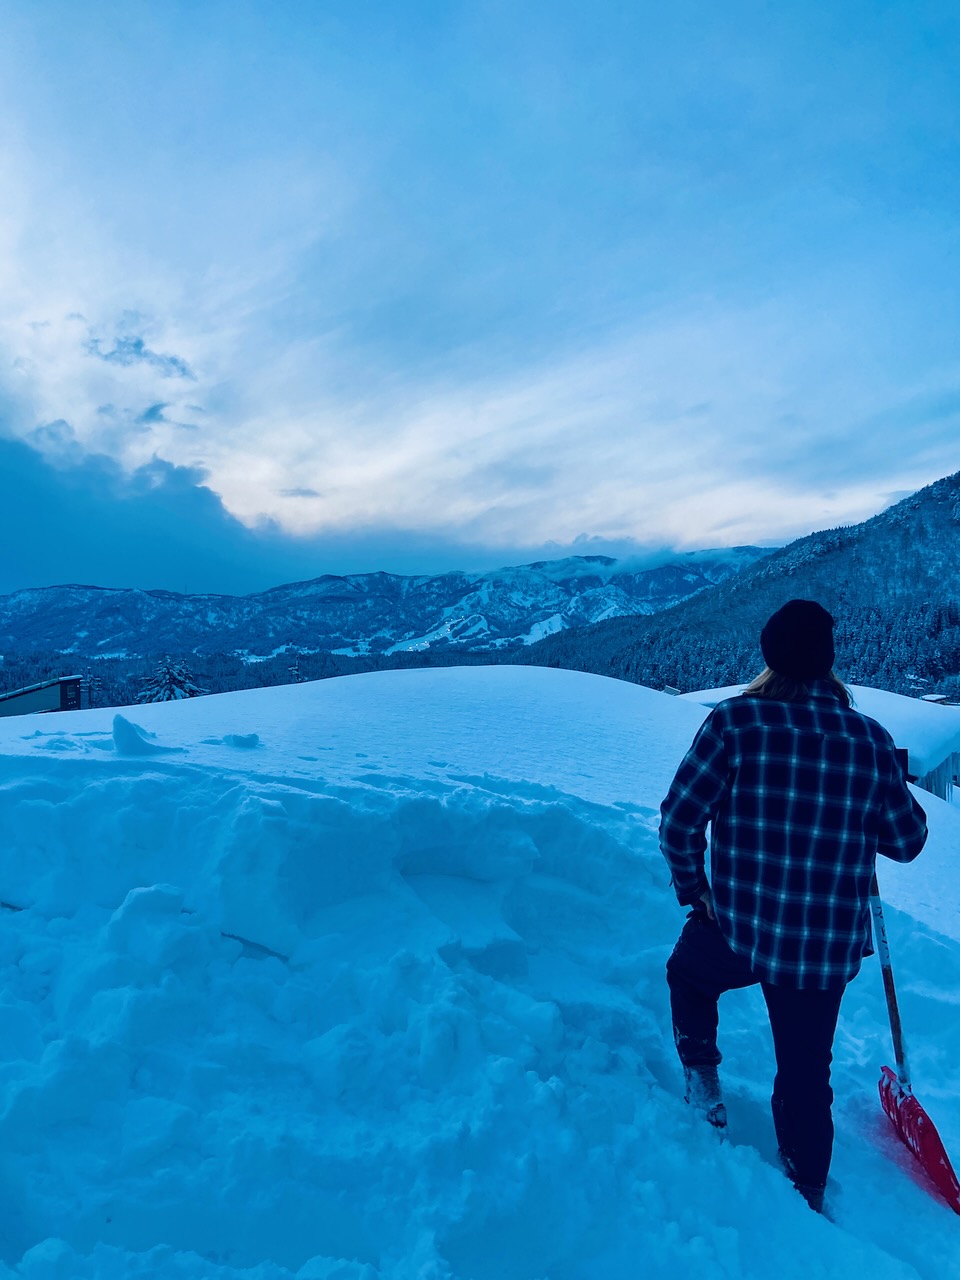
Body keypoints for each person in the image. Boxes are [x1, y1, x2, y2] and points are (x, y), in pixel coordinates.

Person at [658, 599, 927, 1214]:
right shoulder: (868, 740)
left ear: (769, 656)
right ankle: (807, 1191)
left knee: (688, 977)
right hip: (822, 949)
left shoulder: (733, 724)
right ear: (828, 663)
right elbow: (907, 842)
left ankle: (702, 1076)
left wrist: (695, 890)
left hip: (739, 929)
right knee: (806, 1075)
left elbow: (678, 820)